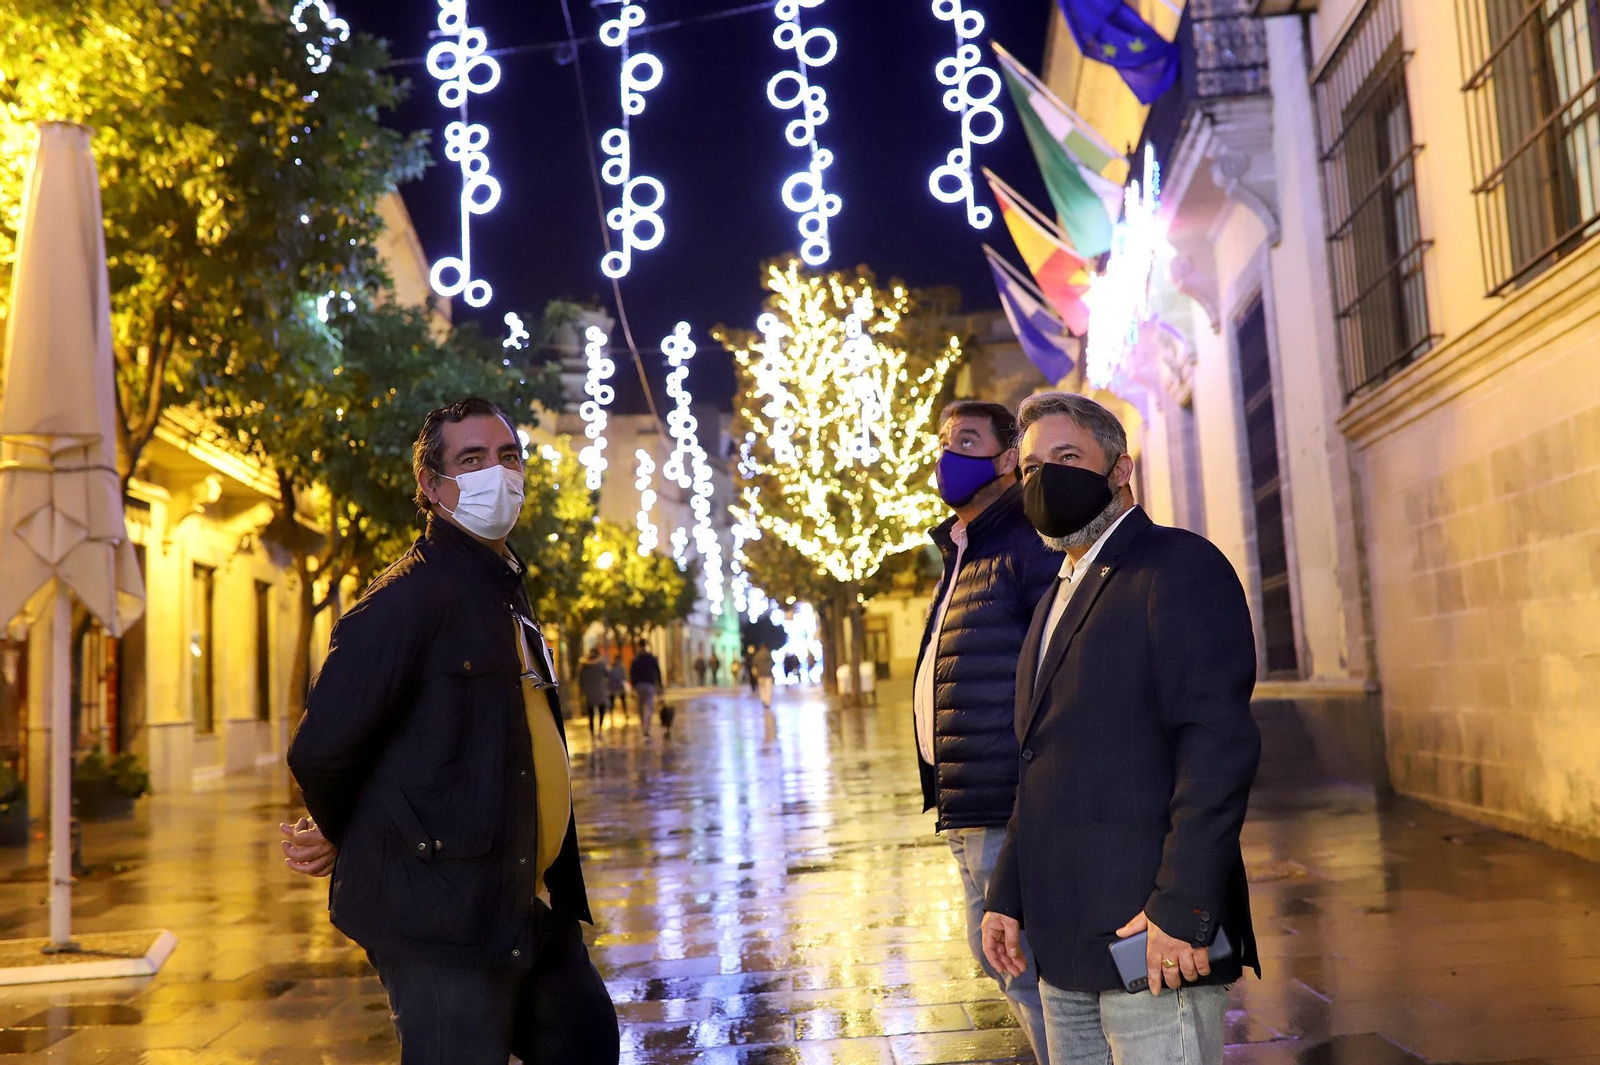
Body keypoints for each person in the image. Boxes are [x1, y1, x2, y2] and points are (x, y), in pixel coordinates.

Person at [280, 397, 618, 1065]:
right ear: (432, 488)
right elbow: (322, 748)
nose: (498, 471)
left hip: (522, 895)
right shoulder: (408, 599)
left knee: (585, 1041)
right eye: (471, 459)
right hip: (440, 916)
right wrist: (351, 828)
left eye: (507, 455)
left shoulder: (503, 588)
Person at [980, 392, 1260, 1065]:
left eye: (1067, 456)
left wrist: (1182, 908)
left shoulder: (1176, 566)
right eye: (1030, 466)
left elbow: (1216, 745)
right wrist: (1007, 896)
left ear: (1121, 468)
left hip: (1150, 936)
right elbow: (1039, 759)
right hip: (1061, 945)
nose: (1044, 477)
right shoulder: (1053, 595)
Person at [911, 399, 1061, 1062]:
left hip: (1006, 795)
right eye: (945, 441)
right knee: (1001, 959)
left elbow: (1055, 667)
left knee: (1025, 965)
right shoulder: (965, 549)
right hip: (965, 799)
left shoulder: (1025, 541)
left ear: (1006, 460)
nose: (949, 455)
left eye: (966, 440)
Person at [630, 639, 661, 738]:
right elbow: (658, 671)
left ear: (639, 646)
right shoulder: (651, 658)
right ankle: (647, 729)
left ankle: (643, 727)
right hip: (649, 685)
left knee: (640, 708)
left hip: (639, 686)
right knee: (649, 708)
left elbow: (632, 674)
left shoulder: (636, 659)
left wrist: (633, 686)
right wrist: (660, 685)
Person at [578, 646, 610, 735]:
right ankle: (599, 729)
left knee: (591, 715)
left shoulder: (583, 665)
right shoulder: (601, 663)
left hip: (589, 693)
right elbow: (607, 675)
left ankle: (592, 733)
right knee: (601, 711)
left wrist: (581, 692)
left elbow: (580, 680)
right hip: (600, 691)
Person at [608, 652, 627, 718]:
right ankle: (625, 713)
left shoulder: (611, 666)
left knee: (612, 701)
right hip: (620, 686)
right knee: (623, 701)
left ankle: (611, 715)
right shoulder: (621, 666)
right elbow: (624, 676)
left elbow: (609, 676)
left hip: (612, 687)